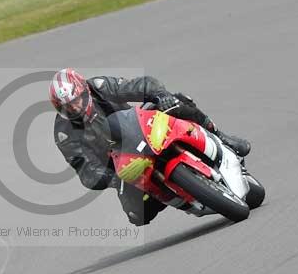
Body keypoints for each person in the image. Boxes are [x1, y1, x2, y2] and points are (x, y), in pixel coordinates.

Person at [49, 68, 250, 226]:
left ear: (85, 90)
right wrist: (112, 179)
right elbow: (85, 170)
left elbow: (138, 85)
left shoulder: (100, 86)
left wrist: (160, 95)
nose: (75, 108)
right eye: (67, 107)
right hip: (122, 165)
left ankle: (220, 136)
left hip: (139, 129)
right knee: (137, 215)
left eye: (77, 100)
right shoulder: (64, 132)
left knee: (178, 102)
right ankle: (177, 194)